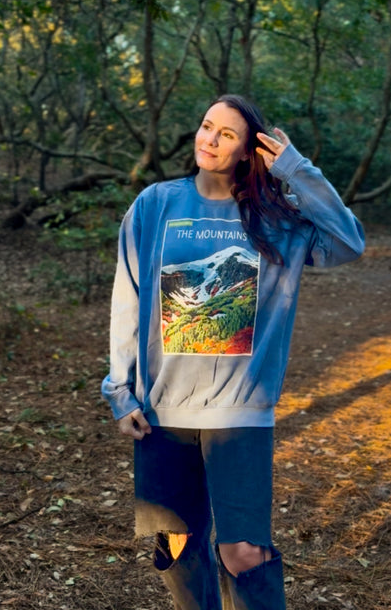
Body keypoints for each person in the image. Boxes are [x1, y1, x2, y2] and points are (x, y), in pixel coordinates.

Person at [102, 94, 365, 610]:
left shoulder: (277, 218)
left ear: (249, 151)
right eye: (206, 126)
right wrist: (120, 390)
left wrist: (295, 169)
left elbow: (349, 242)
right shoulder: (156, 204)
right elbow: (127, 300)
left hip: (239, 413)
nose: (209, 139)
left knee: (244, 552)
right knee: (175, 547)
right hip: (161, 410)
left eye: (226, 134)